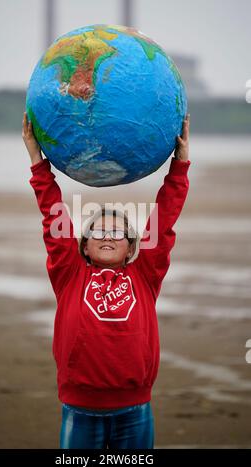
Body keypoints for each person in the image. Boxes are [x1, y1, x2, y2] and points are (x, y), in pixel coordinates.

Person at [22, 112, 191, 449]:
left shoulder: (145, 275)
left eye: (118, 231)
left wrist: (180, 165)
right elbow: (52, 214)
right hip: (79, 407)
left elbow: (165, 218)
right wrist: (37, 160)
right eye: (98, 230)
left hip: (135, 406)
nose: (108, 235)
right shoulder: (69, 273)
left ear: (133, 246)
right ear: (83, 244)